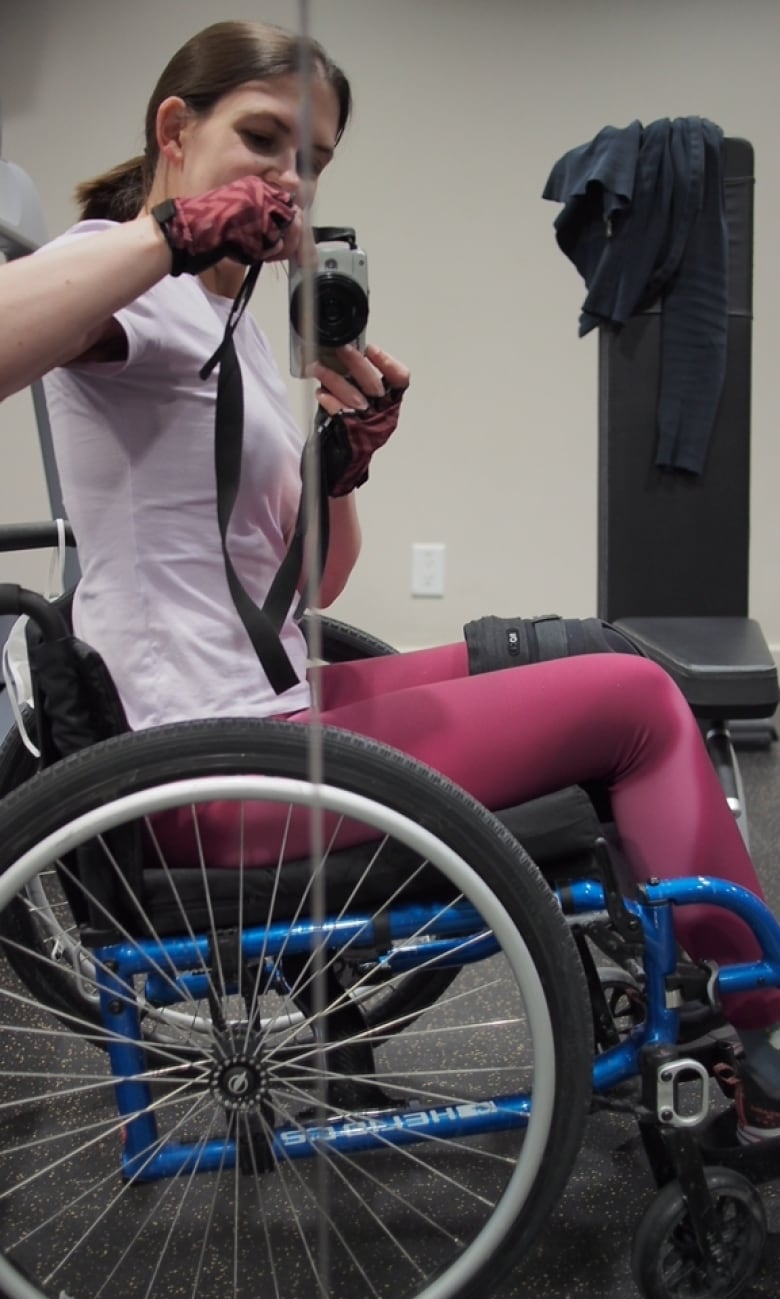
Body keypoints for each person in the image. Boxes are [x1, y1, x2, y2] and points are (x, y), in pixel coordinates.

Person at [0, 18, 778, 1141]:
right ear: (176, 130)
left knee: (603, 656)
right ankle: (763, 1035)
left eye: (310, 162)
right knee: (641, 707)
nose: (287, 180)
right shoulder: (113, 267)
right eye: (262, 139)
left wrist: (347, 451)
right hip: (206, 773)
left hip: (266, 713)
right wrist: (172, 233)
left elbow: (309, 582)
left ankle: (711, 992)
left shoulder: (234, 327)